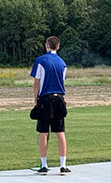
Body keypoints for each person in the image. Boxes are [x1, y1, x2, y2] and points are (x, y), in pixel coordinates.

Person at [30, 36, 71, 175]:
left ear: (47, 45)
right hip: (59, 99)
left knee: (43, 132)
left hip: (45, 99)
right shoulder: (63, 63)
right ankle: (63, 165)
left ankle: (43, 165)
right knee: (60, 132)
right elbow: (62, 81)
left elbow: (37, 83)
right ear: (57, 46)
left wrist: (35, 101)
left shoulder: (40, 60)